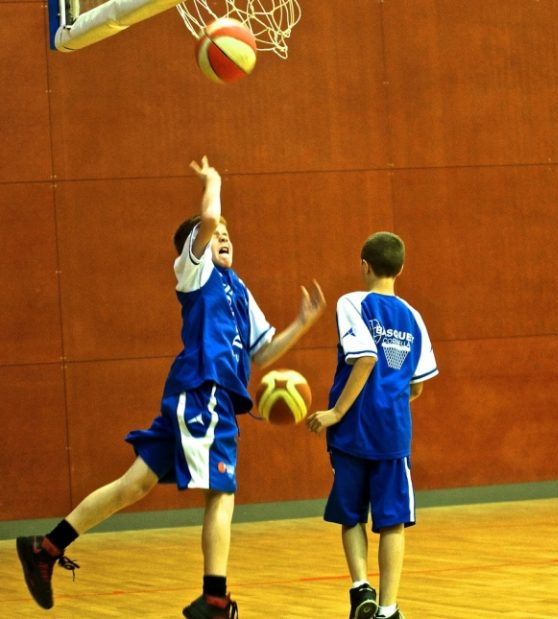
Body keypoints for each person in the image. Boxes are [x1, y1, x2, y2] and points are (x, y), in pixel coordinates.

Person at [16, 156, 326, 619]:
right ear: (194, 247)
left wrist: (301, 324)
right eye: (217, 234)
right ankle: (215, 599)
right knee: (221, 492)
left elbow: (261, 353)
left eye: (229, 234)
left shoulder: (239, 290)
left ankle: (45, 548)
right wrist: (213, 181)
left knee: (134, 484)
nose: (224, 235)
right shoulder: (194, 273)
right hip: (204, 392)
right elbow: (209, 218)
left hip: (207, 397)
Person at [306, 231, 438, 619]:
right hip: (392, 432)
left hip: (352, 429)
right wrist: (390, 398)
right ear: (401, 268)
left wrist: (336, 413)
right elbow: (417, 385)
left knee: (351, 514)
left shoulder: (352, 302)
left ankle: (360, 585)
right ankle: (388, 608)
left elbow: (364, 358)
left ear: (364, 266)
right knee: (393, 521)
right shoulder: (414, 317)